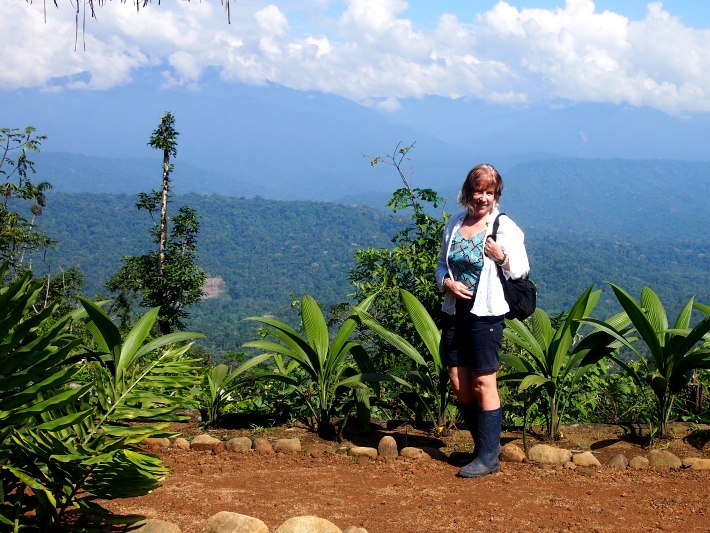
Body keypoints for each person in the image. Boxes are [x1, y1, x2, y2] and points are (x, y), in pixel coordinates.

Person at [436, 163, 530, 478]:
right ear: (468, 192)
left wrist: (501, 256)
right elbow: (440, 266)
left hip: (486, 313)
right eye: (478, 191)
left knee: (482, 382)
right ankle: (484, 447)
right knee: (459, 382)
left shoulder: (502, 227)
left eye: (489, 192)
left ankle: (488, 457)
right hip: (454, 311)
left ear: (496, 195)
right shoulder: (455, 223)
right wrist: (447, 284)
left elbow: (520, 271)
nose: (483, 198)